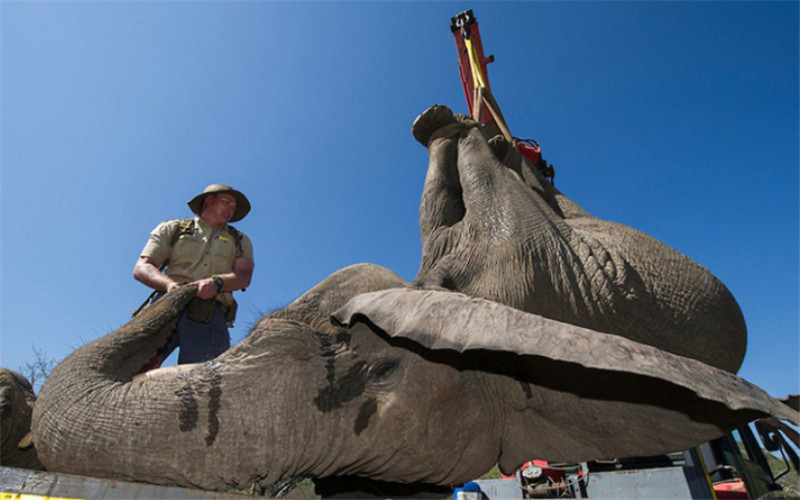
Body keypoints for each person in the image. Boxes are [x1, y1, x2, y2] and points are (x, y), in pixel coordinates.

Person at [133, 184, 255, 365]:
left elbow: (243, 277)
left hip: (209, 314)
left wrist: (217, 283)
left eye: (234, 207)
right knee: (134, 368)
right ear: (209, 200)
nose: (231, 209)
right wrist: (169, 286)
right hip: (165, 305)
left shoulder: (240, 240)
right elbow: (143, 267)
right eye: (227, 202)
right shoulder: (172, 228)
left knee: (206, 378)